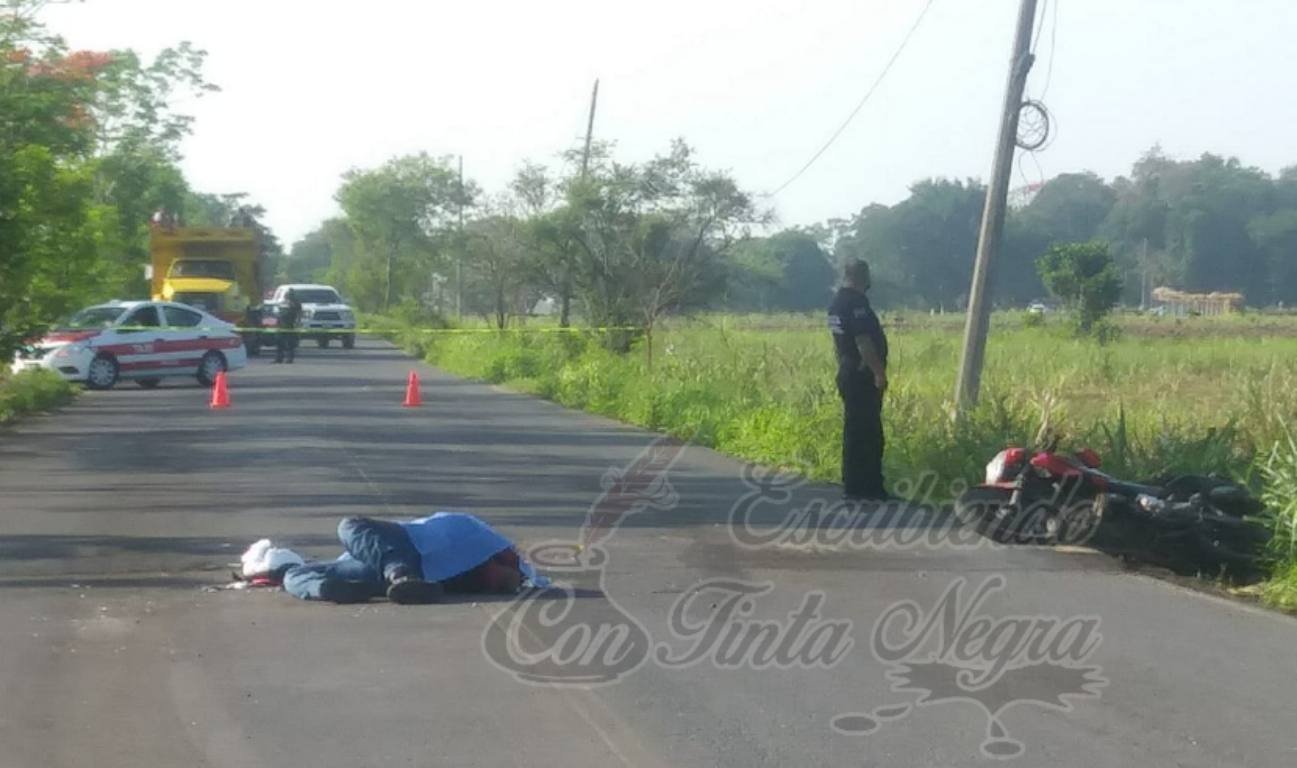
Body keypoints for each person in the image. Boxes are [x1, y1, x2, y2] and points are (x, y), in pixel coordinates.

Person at [253, 513, 541, 604]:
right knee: (296, 575)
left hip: (405, 555)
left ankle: (398, 576)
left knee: (348, 527)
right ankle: (396, 580)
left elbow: (506, 560)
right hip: (398, 572)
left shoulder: (398, 536)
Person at [827, 259, 889, 501]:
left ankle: (854, 485)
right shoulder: (855, 303)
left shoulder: (836, 303)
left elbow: (839, 343)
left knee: (854, 431)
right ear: (864, 276)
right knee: (869, 433)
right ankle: (869, 487)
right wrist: (879, 373)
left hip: (846, 369)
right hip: (861, 374)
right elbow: (863, 341)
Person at [274, 289, 302, 364]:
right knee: (279, 343)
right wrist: (277, 323)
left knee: (290, 344)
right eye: (287, 294)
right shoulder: (282, 302)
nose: (288, 295)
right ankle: (279, 359)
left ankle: (289, 359)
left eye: (290, 294)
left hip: (290, 325)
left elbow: (299, 314)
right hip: (280, 326)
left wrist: (298, 323)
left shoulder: (296, 303)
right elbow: (279, 313)